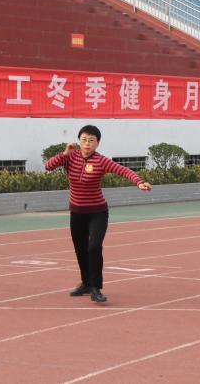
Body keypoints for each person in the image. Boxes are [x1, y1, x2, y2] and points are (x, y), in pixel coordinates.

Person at [45, 125, 152, 303]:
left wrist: (139, 182)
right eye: (84, 140)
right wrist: (64, 153)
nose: (87, 144)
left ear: (97, 143)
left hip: (97, 212)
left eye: (91, 140)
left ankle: (96, 287)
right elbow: (49, 166)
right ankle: (86, 283)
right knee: (80, 249)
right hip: (77, 212)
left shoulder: (101, 161)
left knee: (94, 247)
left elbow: (123, 170)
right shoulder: (70, 157)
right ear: (79, 141)